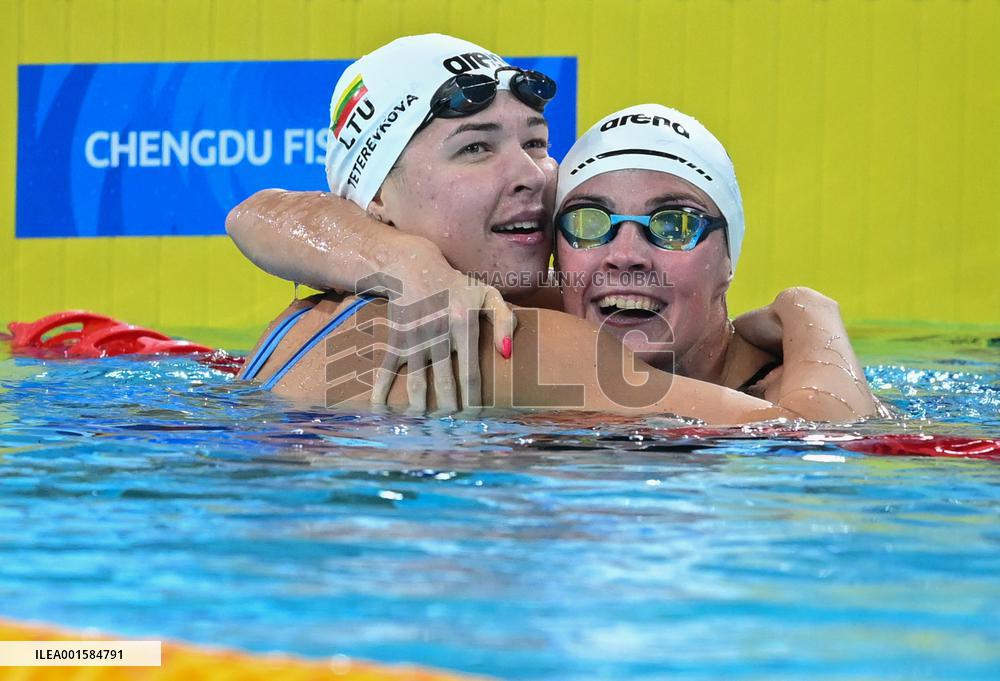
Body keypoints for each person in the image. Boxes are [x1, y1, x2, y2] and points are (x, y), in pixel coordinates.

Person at [231, 34, 880, 422]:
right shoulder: (489, 335)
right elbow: (821, 439)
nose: (531, 175)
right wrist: (808, 311)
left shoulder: (317, 312)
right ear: (374, 199)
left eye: (537, 143)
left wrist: (401, 259)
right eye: (476, 149)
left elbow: (258, 214)